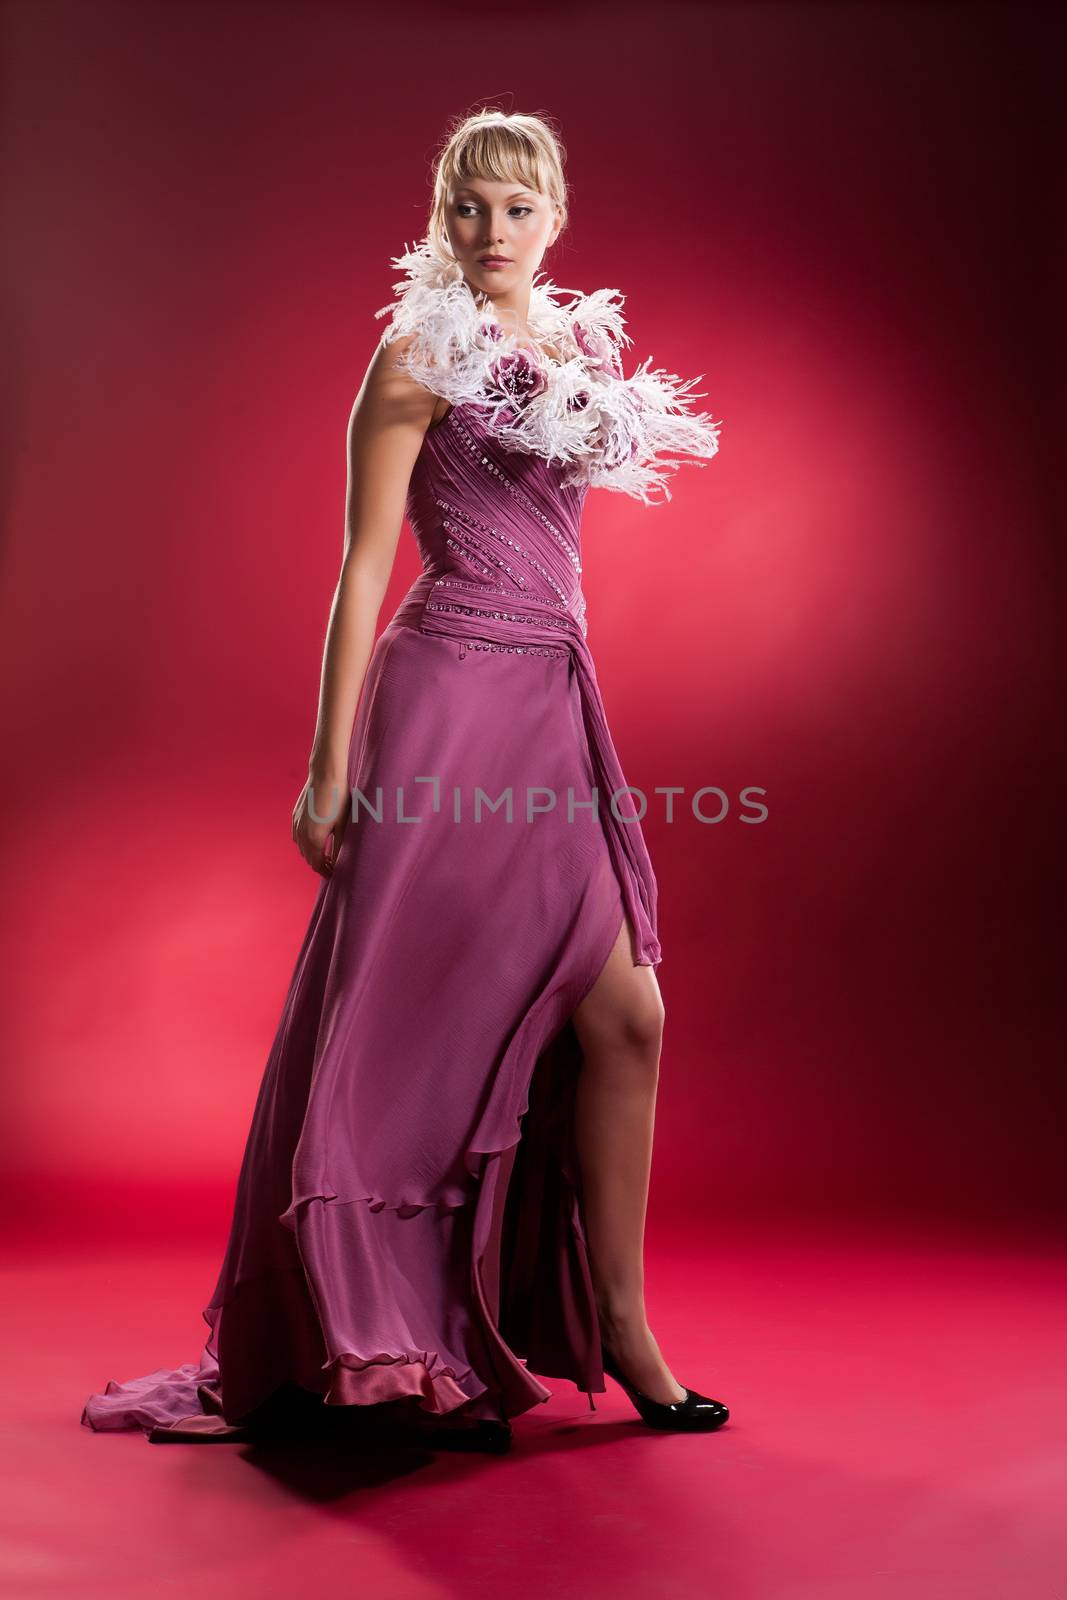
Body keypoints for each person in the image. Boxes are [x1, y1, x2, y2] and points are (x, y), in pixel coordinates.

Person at [80, 108, 729, 1452]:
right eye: (468, 209)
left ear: (558, 214)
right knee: (404, 1021)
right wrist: (328, 774)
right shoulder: (416, 352)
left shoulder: (571, 358)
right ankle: (357, 1336)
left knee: (628, 1019)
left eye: (517, 207)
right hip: (447, 700)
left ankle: (621, 1324)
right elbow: (362, 571)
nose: (492, 232)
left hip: (554, 697)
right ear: (443, 219)